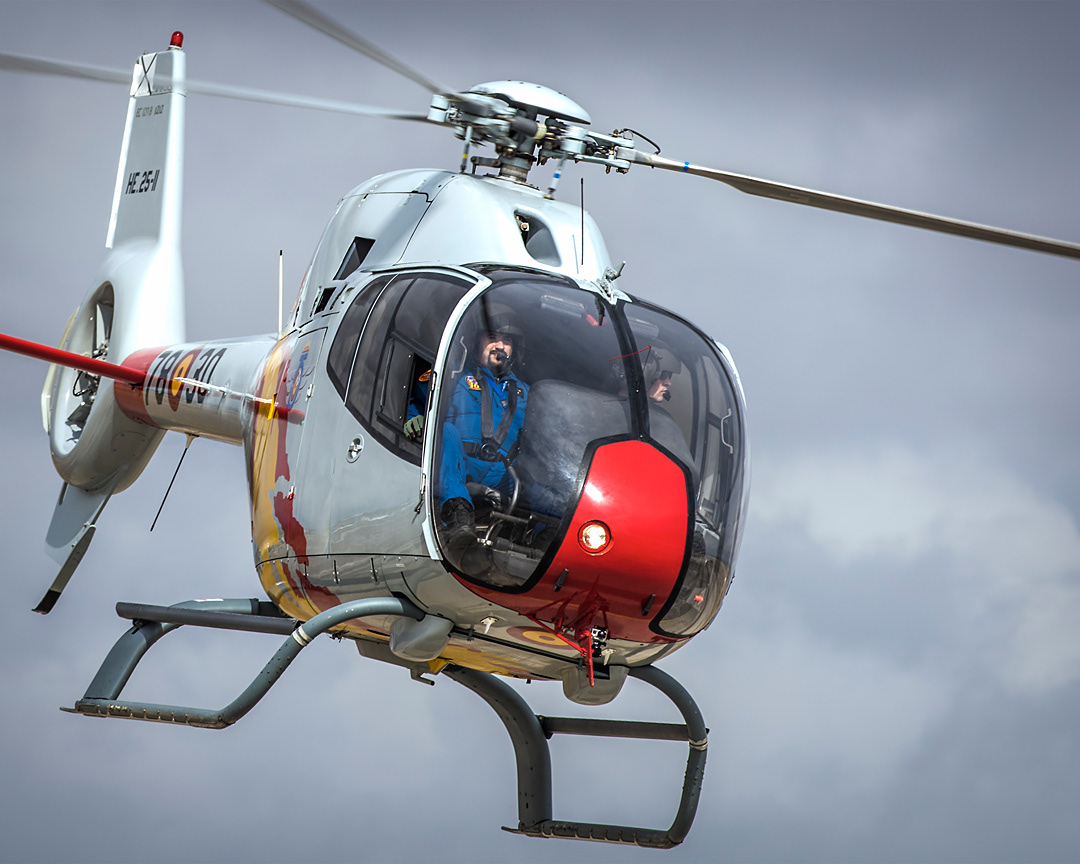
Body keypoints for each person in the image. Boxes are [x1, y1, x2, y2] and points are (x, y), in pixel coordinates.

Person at [438, 307, 529, 568]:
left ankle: (546, 535)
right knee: (446, 432)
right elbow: (422, 400)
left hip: (504, 473)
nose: (499, 345)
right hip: (460, 465)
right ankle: (458, 518)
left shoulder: (526, 393)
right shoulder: (455, 376)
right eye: (492, 337)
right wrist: (413, 417)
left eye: (507, 340)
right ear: (477, 341)